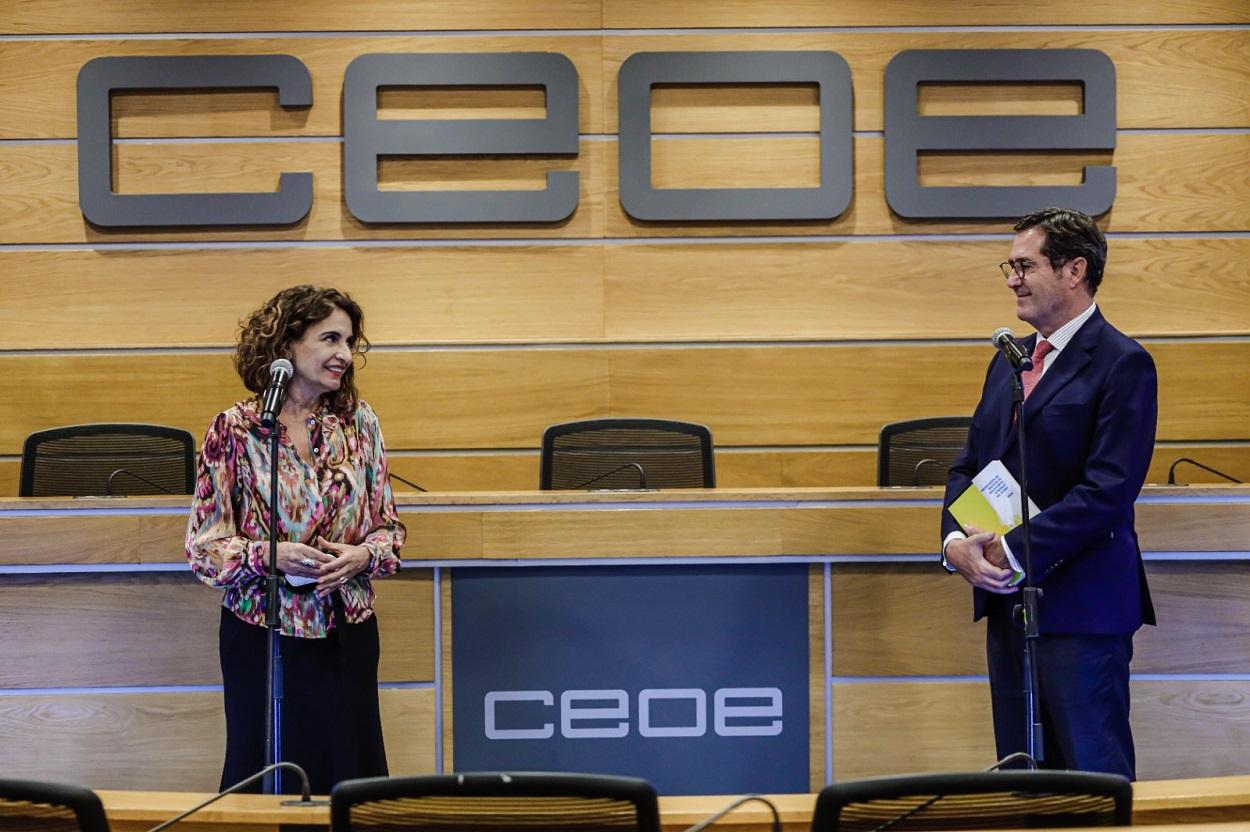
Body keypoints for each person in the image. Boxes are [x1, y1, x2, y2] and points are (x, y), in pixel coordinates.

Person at [940, 207, 1157, 779]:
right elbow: (967, 467)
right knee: (1020, 781)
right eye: (1009, 265)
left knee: (1092, 780)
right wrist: (957, 543)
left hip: (1080, 610)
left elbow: (1106, 492)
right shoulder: (1006, 361)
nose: (1012, 277)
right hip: (1007, 604)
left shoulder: (1123, 363)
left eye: (1025, 264)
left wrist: (1008, 550)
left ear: (1074, 270)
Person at [186, 285, 405, 793]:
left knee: (351, 776)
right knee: (262, 773)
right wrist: (271, 555)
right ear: (286, 344)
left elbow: (390, 530)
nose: (345, 355)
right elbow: (203, 548)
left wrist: (362, 555)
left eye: (351, 342)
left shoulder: (359, 423)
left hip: (346, 629)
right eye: (330, 338)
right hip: (262, 633)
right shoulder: (236, 430)